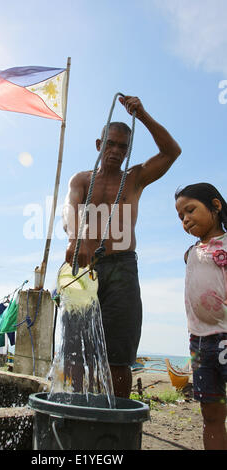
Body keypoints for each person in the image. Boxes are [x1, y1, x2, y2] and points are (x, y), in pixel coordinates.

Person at [63, 95, 182, 398]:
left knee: (118, 355)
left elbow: (172, 151)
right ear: (98, 144)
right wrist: (76, 240)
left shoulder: (135, 178)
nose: (115, 151)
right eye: (110, 144)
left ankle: (115, 428)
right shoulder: (81, 179)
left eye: (122, 147)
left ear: (128, 151)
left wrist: (141, 114)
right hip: (84, 270)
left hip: (122, 270)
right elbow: (69, 209)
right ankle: (78, 412)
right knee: (75, 353)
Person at [175, 183, 227, 450]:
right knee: (211, 413)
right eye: (181, 216)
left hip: (225, 337)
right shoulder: (191, 253)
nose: (185, 219)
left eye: (190, 210)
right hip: (198, 343)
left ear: (216, 206)